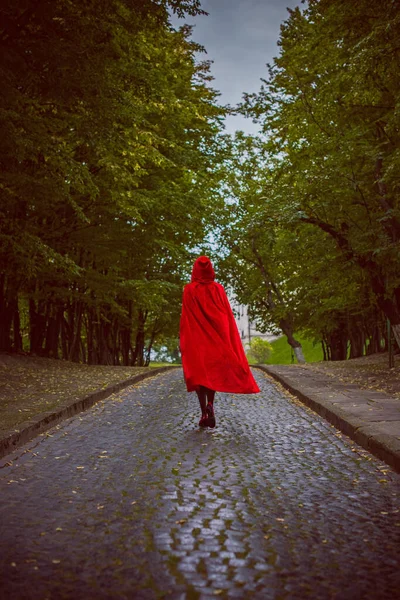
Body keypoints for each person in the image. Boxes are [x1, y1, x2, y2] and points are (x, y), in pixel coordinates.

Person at [179, 256, 260, 428]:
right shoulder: (218, 289)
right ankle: (211, 405)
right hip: (215, 340)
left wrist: (185, 341)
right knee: (212, 375)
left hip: (196, 341)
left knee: (199, 377)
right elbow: (225, 316)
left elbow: (186, 318)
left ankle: (203, 413)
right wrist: (226, 339)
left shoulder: (189, 290)